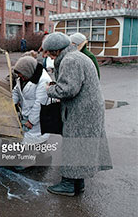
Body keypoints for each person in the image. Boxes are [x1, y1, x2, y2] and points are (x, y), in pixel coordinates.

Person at [42, 32, 112, 196]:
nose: (48, 56)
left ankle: (68, 184)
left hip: (82, 111)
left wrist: (50, 89)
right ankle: (77, 183)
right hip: (87, 108)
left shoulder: (70, 60)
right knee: (81, 145)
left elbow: (68, 89)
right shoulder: (76, 56)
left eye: (49, 52)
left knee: (73, 144)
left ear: (56, 51)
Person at [12, 56, 52, 145]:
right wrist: (11, 104)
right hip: (27, 115)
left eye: (22, 76)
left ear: (27, 71)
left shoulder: (44, 80)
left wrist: (31, 121)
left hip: (37, 120)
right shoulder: (25, 77)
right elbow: (16, 91)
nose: (21, 78)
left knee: (40, 144)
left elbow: (40, 103)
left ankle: (44, 158)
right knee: (28, 143)